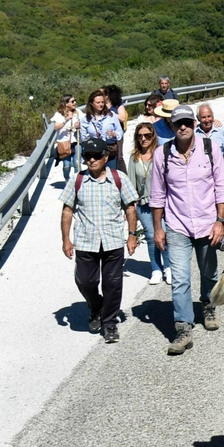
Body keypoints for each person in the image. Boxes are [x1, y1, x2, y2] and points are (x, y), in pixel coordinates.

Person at [150, 104, 224, 355]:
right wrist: (158, 229)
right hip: (177, 225)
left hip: (208, 223)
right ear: (172, 127)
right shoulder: (162, 154)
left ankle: (208, 305)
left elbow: (221, 188)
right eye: (178, 123)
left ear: (195, 124)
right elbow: (157, 195)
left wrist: (220, 221)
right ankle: (183, 327)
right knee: (180, 279)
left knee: (209, 272)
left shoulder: (210, 149)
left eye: (187, 122)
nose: (183, 127)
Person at [61, 138, 139, 344]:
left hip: (112, 240)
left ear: (106, 157)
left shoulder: (118, 178)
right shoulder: (77, 180)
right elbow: (67, 210)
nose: (92, 159)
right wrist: (65, 240)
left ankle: (109, 322)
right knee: (85, 281)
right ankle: (96, 306)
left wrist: (132, 234)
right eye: (87, 156)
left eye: (96, 156)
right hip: (86, 241)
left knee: (113, 283)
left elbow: (130, 206)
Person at [127, 122, 168, 284]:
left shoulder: (160, 154)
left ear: (153, 137)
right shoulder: (134, 158)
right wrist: (130, 207)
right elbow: (130, 183)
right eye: (140, 136)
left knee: (163, 234)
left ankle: (169, 267)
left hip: (161, 203)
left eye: (147, 135)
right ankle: (156, 269)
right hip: (143, 204)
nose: (143, 139)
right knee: (151, 236)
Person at [81, 87, 124, 172]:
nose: (101, 104)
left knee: (111, 173)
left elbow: (120, 131)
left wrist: (114, 134)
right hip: (94, 153)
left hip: (109, 151)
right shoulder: (86, 119)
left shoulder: (111, 115)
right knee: (97, 175)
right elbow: (83, 138)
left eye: (102, 102)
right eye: (98, 102)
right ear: (92, 103)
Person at [50, 94, 80, 183]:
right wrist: (66, 120)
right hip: (64, 142)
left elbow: (85, 120)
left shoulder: (78, 112)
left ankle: (77, 182)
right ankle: (67, 179)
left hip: (77, 141)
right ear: (66, 103)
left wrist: (79, 125)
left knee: (77, 163)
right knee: (66, 165)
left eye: (75, 101)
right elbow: (56, 127)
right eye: (72, 101)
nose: (75, 103)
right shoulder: (59, 114)